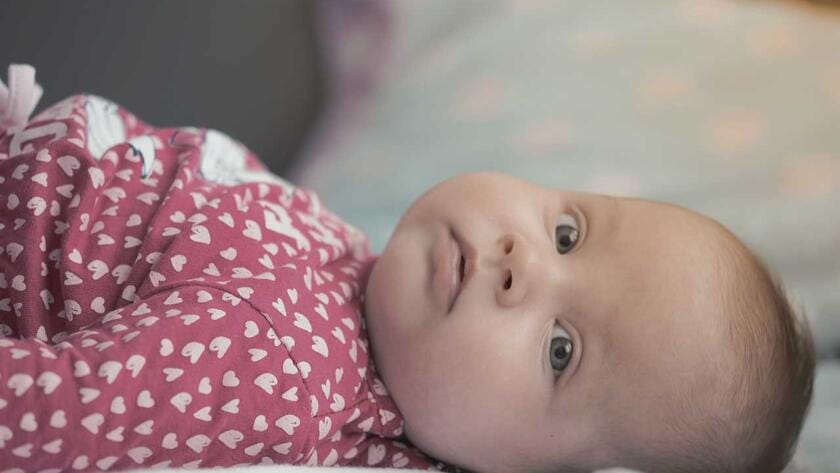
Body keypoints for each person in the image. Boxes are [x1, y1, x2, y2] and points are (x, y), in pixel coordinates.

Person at [0, 64, 816, 473]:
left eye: (561, 348)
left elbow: (38, 416)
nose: (518, 263)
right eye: (568, 233)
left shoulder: (278, 369)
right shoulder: (356, 276)